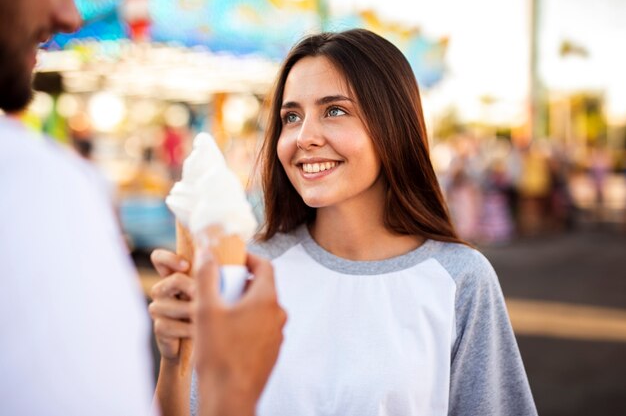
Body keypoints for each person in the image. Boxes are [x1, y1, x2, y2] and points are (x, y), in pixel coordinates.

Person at [150, 29, 538, 415]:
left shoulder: (460, 280)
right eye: (291, 116)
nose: (304, 136)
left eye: (334, 110)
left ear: (393, 125)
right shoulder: (248, 272)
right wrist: (175, 359)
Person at [0, 0, 285, 415]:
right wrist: (232, 389)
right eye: (289, 116)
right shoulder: (37, 188)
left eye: (334, 111)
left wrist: (178, 360)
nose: (69, 17)